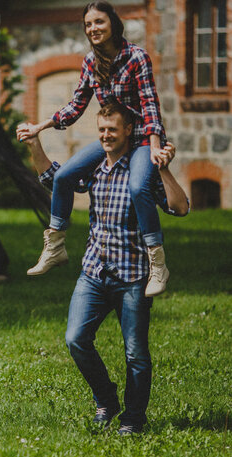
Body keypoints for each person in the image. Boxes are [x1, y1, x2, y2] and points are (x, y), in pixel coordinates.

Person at [18, 102, 189, 436]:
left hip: (133, 278)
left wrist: (165, 169)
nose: (107, 136)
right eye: (102, 131)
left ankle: (133, 419)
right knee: (76, 339)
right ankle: (106, 400)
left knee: (136, 353)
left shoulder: (142, 171)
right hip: (94, 273)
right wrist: (34, 144)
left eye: (113, 129)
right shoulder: (93, 166)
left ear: (128, 130)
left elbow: (180, 208)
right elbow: (56, 180)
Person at [16, 1, 172, 297]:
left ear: (113, 23)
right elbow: (76, 105)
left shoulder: (137, 57)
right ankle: (56, 246)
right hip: (112, 140)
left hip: (140, 139)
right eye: (88, 25)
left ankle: (158, 264)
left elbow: (150, 104)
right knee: (63, 178)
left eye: (99, 22)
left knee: (139, 188)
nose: (93, 29)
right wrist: (40, 126)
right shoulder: (91, 62)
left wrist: (154, 146)